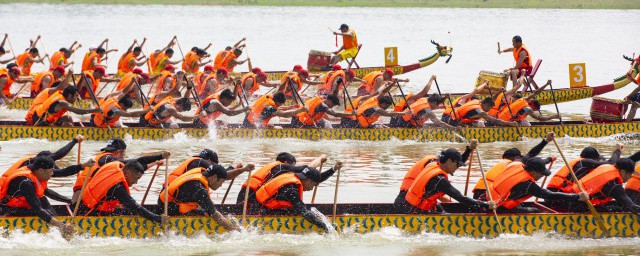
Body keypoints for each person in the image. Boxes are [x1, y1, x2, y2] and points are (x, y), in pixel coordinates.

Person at [395, 144, 494, 214]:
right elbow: (460, 197)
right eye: (457, 165)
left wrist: (469, 149)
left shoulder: (434, 164)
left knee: (443, 210)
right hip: (411, 211)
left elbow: (455, 161)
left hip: (408, 206)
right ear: (449, 161)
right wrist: (485, 204)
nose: (457, 168)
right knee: (447, 211)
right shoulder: (439, 180)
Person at [159, 164, 253, 231]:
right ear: (213, 178)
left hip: (168, 202)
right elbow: (216, 215)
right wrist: (234, 229)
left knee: (211, 209)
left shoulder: (203, 173)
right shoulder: (199, 189)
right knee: (212, 212)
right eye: (221, 181)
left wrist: (243, 169)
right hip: (168, 210)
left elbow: (225, 174)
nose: (221, 185)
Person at [71, 139, 168, 203]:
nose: (124, 157)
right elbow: (135, 162)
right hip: (81, 201)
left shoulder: (103, 158)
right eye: (123, 154)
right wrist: (160, 156)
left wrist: (154, 163)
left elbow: (135, 169)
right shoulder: (107, 159)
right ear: (118, 152)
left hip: (84, 198)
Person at [76, 161, 169, 226]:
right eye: (136, 179)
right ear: (127, 173)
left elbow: (138, 161)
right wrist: (157, 219)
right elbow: (134, 207)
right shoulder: (117, 187)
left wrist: (155, 162)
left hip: (82, 204)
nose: (135, 182)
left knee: (125, 210)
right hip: (89, 213)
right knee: (133, 210)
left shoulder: (115, 167)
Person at [256, 161, 342, 232]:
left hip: (265, 208)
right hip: (262, 213)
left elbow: (317, 178)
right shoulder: (290, 189)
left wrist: (333, 169)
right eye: (314, 185)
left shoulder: (294, 176)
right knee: (305, 211)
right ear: (308, 180)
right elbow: (304, 212)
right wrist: (326, 227)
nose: (312, 189)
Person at [0, 156, 75, 237]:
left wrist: (69, 200)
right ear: (41, 171)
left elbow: (64, 173)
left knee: (43, 199)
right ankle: (60, 227)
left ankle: (56, 224)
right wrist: (61, 225)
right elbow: (38, 209)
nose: (52, 174)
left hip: (18, 206)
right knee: (39, 208)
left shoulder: (34, 172)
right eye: (50, 171)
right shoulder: (26, 183)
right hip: (6, 211)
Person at [487, 156, 589, 213]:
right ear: (533, 172)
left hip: (490, 200)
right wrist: (577, 197)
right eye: (541, 173)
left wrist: (549, 159)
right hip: (498, 209)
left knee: (521, 204)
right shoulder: (527, 185)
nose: (542, 176)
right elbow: (549, 195)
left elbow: (532, 158)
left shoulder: (517, 165)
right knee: (535, 210)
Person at [471, 132, 555, 200]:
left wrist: (548, 157)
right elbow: (533, 159)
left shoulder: (503, 164)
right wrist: (548, 156)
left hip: (478, 194)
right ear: (516, 158)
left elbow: (533, 159)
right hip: (486, 195)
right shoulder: (513, 165)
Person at [237, 153, 327, 213]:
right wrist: (320, 158)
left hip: (244, 199)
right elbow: (309, 170)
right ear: (286, 163)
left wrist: (333, 170)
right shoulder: (281, 167)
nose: (293, 169)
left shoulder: (274, 168)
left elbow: (311, 177)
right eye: (293, 166)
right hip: (249, 201)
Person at [568, 158, 640, 214]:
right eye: (630, 174)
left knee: (616, 203)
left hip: (573, 201)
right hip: (578, 208)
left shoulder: (606, 167)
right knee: (619, 208)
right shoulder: (614, 184)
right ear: (623, 172)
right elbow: (630, 206)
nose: (631, 177)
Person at [340, 83, 410, 128]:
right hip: (350, 124)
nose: (386, 108)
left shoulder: (375, 99)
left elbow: (383, 92)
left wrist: (392, 83)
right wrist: (405, 113)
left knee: (380, 127)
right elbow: (389, 114)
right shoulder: (377, 108)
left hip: (348, 121)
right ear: (383, 104)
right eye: (386, 107)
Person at [496, 80, 560, 126]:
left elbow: (535, 93)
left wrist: (546, 84)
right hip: (506, 122)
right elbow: (539, 118)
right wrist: (553, 117)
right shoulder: (527, 109)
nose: (533, 111)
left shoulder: (524, 99)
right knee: (528, 125)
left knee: (525, 122)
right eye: (534, 110)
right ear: (532, 106)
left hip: (499, 118)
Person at [31, 86, 101, 126]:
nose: (77, 98)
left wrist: (77, 94)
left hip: (43, 118)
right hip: (40, 122)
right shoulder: (62, 103)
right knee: (68, 125)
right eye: (76, 96)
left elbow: (68, 87)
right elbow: (77, 111)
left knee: (68, 118)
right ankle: (75, 138)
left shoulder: (62, 95)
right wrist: (95, 110)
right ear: (70, 95)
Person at [441, 94, 517, 127]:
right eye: (489, 108)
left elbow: (491, 99)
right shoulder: (479, 111)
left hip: (452, 119)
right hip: (453, 122)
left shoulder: (479, 102)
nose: (489, 110)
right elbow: (493, 120)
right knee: (482, 123)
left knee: (480, 123)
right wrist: (509, 124)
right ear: (486, 105)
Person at [290, 94, 354, 128]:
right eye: (333, 105)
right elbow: (335, 114)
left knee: (324, 122)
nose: (332, 107)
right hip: (299, 123)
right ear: (330, 101)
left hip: (296, 119)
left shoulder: (320, 99)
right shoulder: (322, 106)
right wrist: (350, 114)